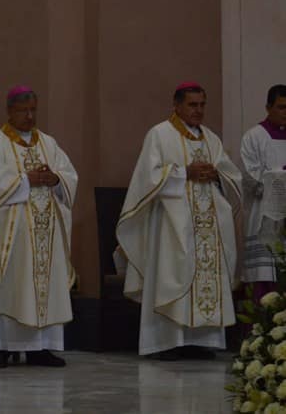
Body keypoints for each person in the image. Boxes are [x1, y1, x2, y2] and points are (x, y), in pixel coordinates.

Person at [116, 82, 242, 360]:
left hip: (208, 222)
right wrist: (184, 173)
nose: (198, 110)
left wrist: (217, 175)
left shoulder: (211, 138)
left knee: (203, 278)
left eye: (202, 105)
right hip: (171, 224)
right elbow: (147, 177)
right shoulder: (160, 135)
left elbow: (231, 173)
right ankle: (166, 342)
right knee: (171, 275)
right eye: (192, 105)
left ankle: (198, 340)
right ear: (177, 105)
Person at [0, 86, 78, 368]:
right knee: (8, 284)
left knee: (41, 286)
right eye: (24, 110)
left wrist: (56, 180)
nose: (30, 115)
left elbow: (69, 174)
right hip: (8, 237)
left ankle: (41, 348)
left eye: (33, 109)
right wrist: (25, 180)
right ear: (10, 111)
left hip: (44, 233)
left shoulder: (49, 143)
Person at [240, 85, 286, 291]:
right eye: (282, 107)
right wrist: (280, 177)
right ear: (268, 107)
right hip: (263, 215)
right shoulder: (254, 136)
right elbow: (251, 179)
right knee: (265, 283)